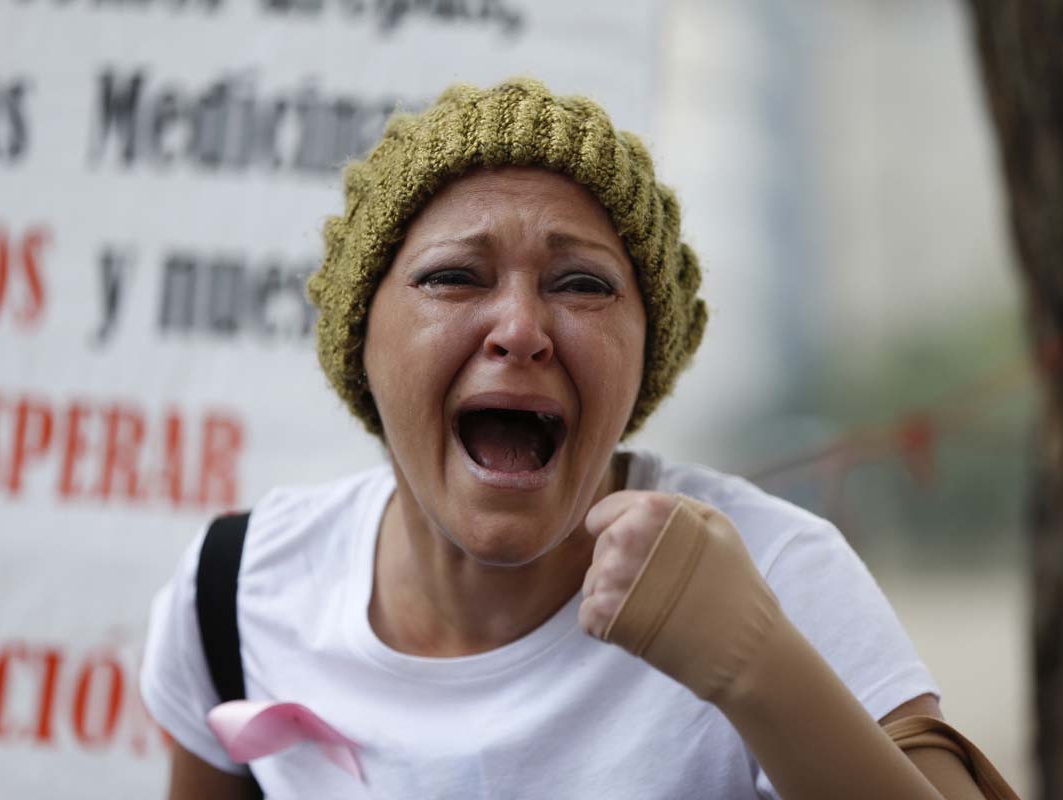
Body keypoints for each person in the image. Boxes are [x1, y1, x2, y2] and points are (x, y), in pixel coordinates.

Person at [140, 78, 1017, 799]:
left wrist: (757, 665)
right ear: (359, 341)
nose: (520, 328)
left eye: (582, 285)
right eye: (453, 277)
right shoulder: (234, 593)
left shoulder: (778, 571)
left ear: (647, 356)